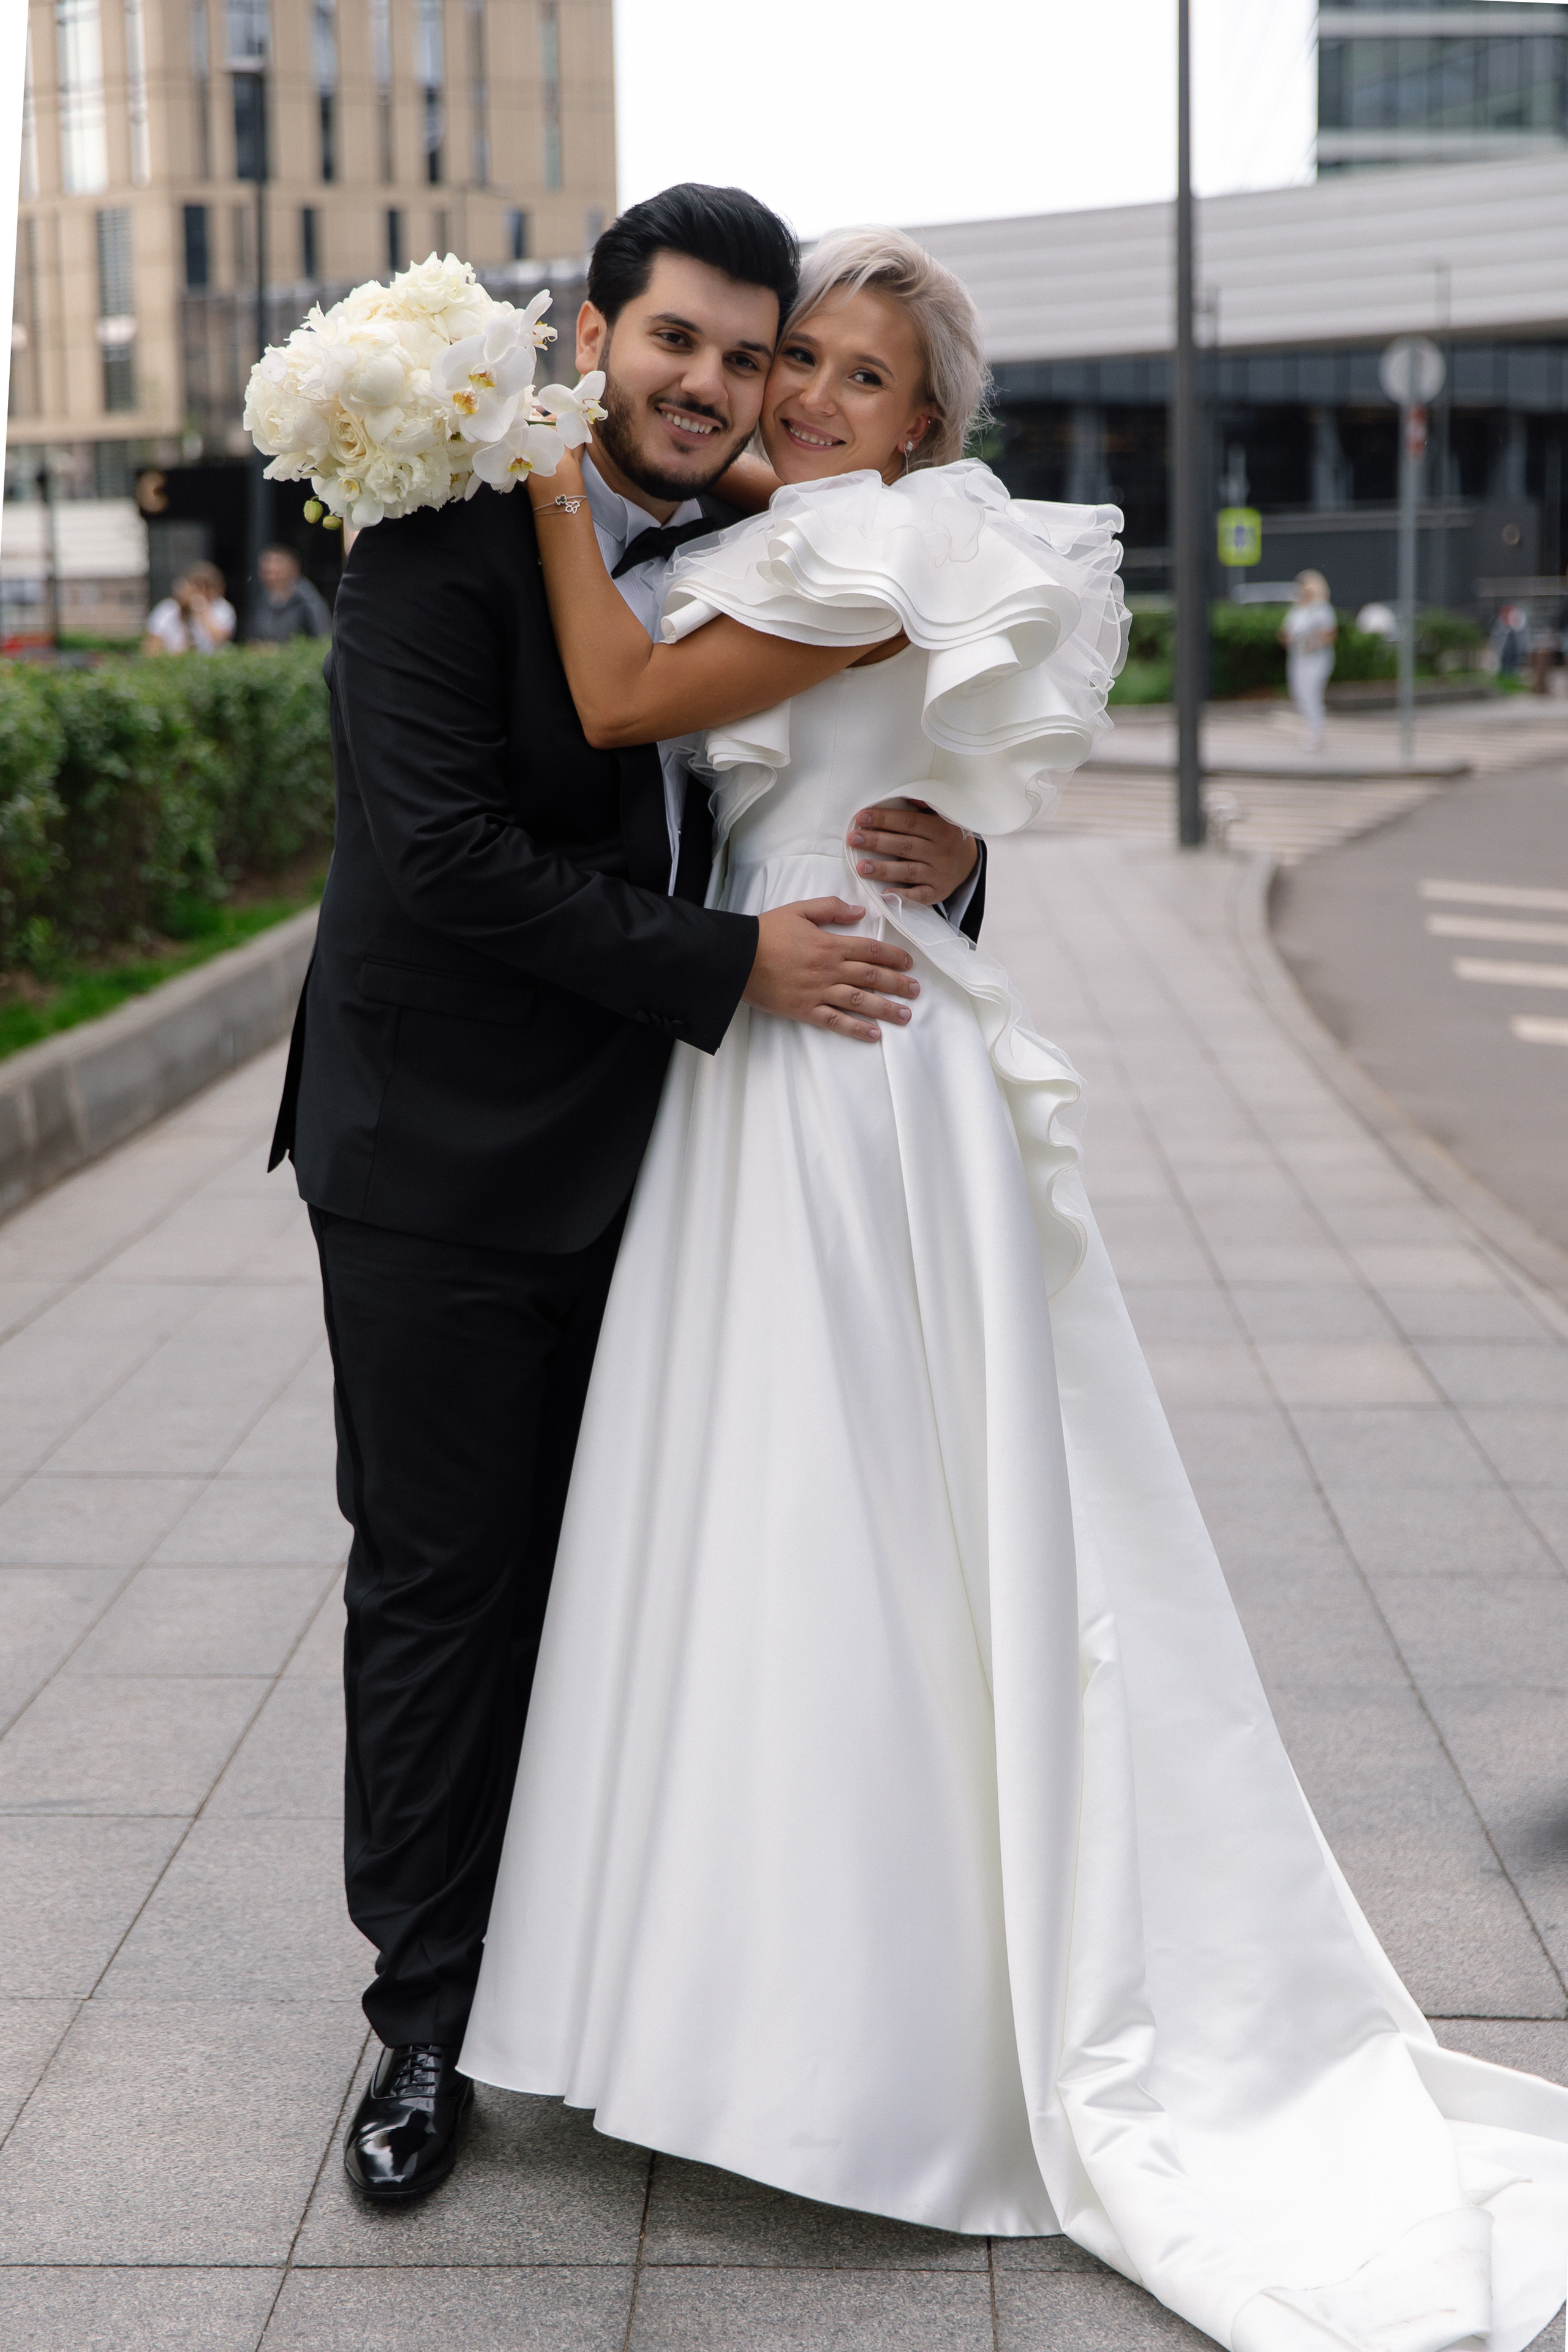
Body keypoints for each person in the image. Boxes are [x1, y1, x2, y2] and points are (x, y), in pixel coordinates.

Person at [459, 228, 1568, 2351]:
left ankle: (861, 2033)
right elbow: (882, 768)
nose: (802, 402)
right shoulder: (836, 531)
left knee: (849, 1513)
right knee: (800, 1510)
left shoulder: (880, 546)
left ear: (930, 427)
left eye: (859, 381)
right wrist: (946, 850)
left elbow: (617, 699)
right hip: (799, 1039)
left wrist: (521, 450)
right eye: (799, 365)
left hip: (840, 1069)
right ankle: (745, 1999)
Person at [266, 187, 982, 2207]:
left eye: (749, 357)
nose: (717, 386)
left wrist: (937, 850)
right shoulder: (434, 530)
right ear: (595, 336)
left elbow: (817, 773)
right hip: (444, 1162)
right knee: (441, 1585)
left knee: (632, 1586)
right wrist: (729, 973)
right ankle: (420, 2024)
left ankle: (597, 1985)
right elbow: (444, 856)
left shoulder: (769, 532)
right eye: (679, 342)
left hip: (683, 1168)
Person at [1278, 569, 1335, 749]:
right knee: (1299, 692)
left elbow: (1330, 633)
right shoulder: (1297, 610)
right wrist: (1289, 640)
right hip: (1298, 658)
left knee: (1312, 693)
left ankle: (1315, 732)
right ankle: (1311, 727)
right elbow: (1285, 632)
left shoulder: (1322, 609)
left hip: (1316, 658)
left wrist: (1313, 641)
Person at [141, 559, 235, 655]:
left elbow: (220, 638)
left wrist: (202, 609)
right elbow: (151, 649)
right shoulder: (167, 609)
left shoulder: (222, 608)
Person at [251, 542, 331, 645]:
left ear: (294, 569)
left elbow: (323, 639)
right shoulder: (264, 600)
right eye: (267, 572)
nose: (271, 578)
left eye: (276, 573)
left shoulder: (310, 601)